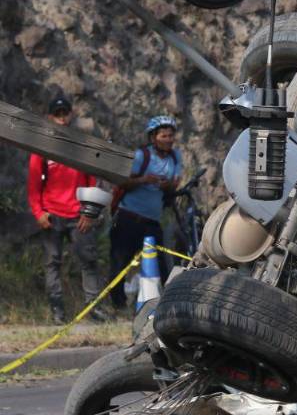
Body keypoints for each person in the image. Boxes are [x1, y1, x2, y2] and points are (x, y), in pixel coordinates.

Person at [27, 97, 105, 323]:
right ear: (50, 117)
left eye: (65, 113)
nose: (61, 118)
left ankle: (94, 310)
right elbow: (34, 185)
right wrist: (38, 212)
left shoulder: (81, 146)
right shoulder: (42, 148)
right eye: (57, 114)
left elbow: (93, 181)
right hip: (52, 215)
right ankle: (57, 313)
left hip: (79, 215)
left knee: (89, 261)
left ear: (71, 115)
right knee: (52, 264)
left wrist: (89, 212)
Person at [108, 115, 183, 313]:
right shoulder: (142, 156)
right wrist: (144, 180)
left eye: (171, 136)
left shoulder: (175, 157)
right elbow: (123, 183)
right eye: (163, 136)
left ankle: (166, 305)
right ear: (153, 137)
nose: (168, 140)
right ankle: (118, 306)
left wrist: (167, 186)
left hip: (152, 221)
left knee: (161, 264)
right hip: (129, 218)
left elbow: (174, 185)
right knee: (120, 263)